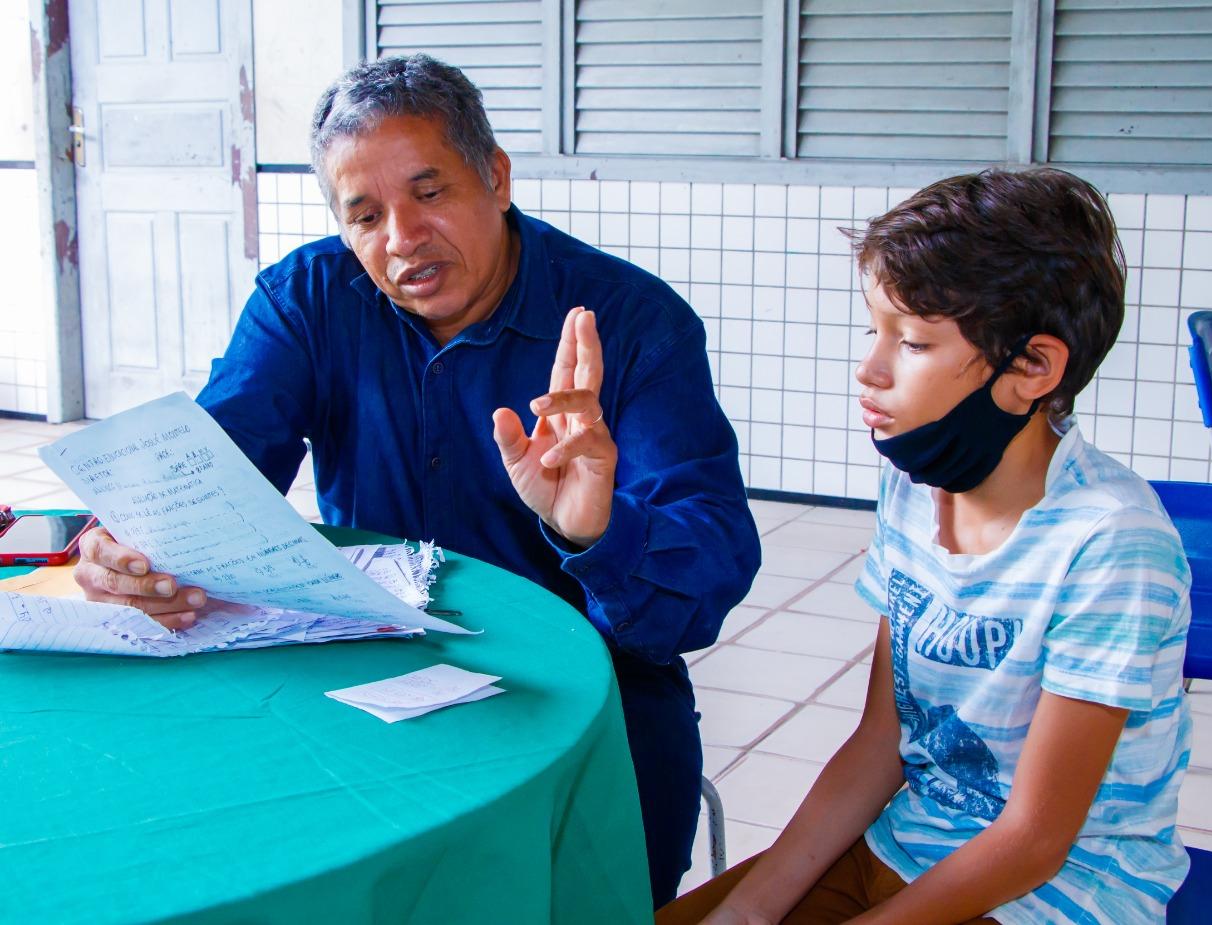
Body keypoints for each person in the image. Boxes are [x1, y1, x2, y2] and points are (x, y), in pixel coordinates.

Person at [71, 54, 761, 906]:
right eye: (365, 214)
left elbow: (709, 579)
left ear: (496, 177)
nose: (400, 239)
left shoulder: (629, 322)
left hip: (590, 707)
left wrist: (595, 530)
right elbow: (213, 472)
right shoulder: (311, 298)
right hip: (366, 679)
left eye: (429, 193)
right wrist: (139, 537)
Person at [658, 168, 1191, 924]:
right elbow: (882, 740)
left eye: (910, 341)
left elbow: (1035, 839)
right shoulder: (915, 485)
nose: (869, 368)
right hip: (906, 848)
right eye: (875, 330)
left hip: (1061, 894)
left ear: (1032, 368)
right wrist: (748, 910)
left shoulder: (1111, 544)